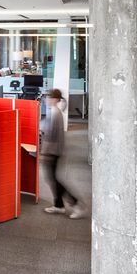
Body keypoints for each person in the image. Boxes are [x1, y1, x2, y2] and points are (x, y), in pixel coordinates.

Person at [40, 89, 85, 219]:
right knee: (52, 179)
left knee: (54, 180)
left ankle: (76, 204)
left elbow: (51, 136)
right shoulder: (54, 112)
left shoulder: (55, 113)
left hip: (52, 151)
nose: (46, 100)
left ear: (55, 99)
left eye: (48, 97)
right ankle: (59, 205)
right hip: (54, 150)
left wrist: (44, 153)